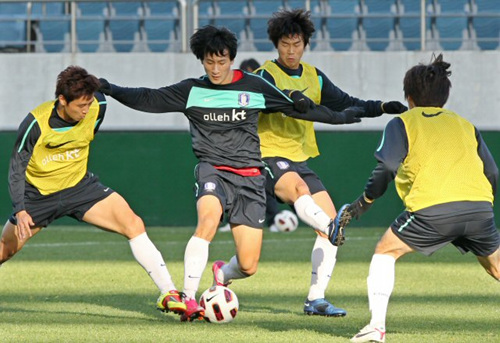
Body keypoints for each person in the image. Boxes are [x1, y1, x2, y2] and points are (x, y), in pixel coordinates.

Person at [98, 25, 365, 322]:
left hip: (250, 178)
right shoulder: (192, 91)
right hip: (212, 170)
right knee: (208, 222)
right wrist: (112, 89)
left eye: (221, 61)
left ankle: (221, 273)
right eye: (209, 62)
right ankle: (188, 299)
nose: (215, 69)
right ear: (201, 60)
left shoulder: (253, 87)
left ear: (232, 59)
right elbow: (148, 98)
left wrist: (341, 117)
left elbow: (295, 109)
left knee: (249, 265)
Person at [253, 8, 408, 317]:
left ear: (306, 44)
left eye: (297, 43)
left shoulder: (314, 75)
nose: (292, 50)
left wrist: (380, 106)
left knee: (327, 232)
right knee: (304, 196)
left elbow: (346, 101)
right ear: (276, 44)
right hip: (267, 156)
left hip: (300, 159)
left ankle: (315, 298)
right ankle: (330, 224)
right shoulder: (265, 76)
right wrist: (339, 119)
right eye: (286, 44)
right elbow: (297, 109)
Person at [336, 54, 500, 343]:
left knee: (385, 252)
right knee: (496, 267)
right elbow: (493, 172)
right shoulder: (465, 124)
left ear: (408, 96)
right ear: (444, 98)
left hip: (432, 210)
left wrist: (366, 201)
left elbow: (387, 166)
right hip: (479, 208)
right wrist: (481, 208)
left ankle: (376, 327)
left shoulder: (402, 123)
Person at [0, 66, 186, 317]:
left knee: (133, 223)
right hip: (39, 195)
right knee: (5, 249)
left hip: (80, 188)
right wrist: (20, 209)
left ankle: (169, 294)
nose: (86, 110)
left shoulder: (98, 106)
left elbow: (99, 111)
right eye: (80, 106)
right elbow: (16, 168)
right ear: (62, 100)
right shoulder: (36, 122)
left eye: (89, 104)